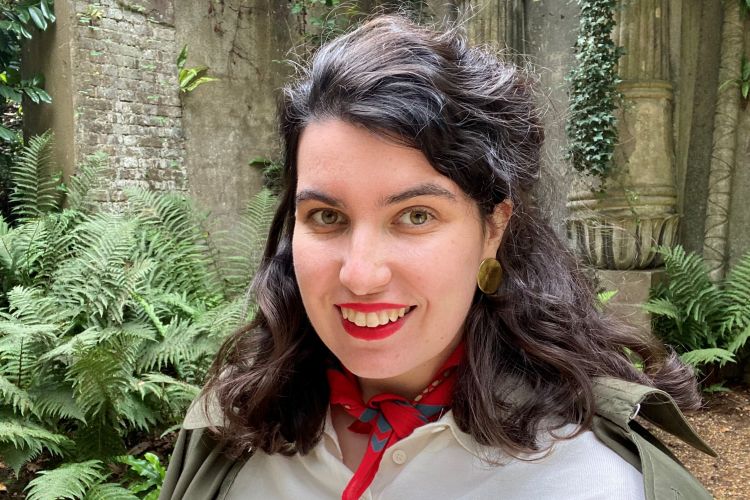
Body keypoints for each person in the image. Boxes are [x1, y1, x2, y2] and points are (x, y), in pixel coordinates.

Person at [160, 15, 715, 500]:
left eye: (416, 216)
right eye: (327, 217)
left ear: (492, 228)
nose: (361, 274)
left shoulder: (595, 478)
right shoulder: (230, 435)